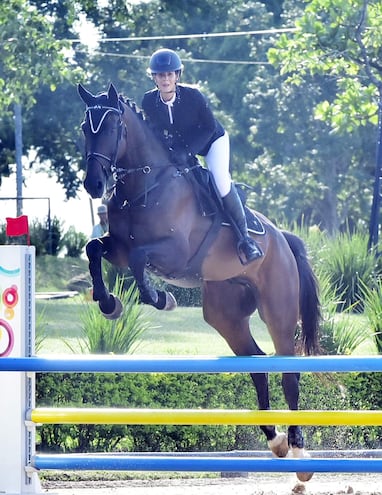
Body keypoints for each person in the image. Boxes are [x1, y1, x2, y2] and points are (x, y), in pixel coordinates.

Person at [142, 48, 263, 264]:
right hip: (182, 147)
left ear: (177, 76)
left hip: (212, 142)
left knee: (220, 180)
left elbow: (208, 127)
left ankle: (246, 240)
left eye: (170, 74)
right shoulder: (149, 101)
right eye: (161, 75)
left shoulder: (193, 96)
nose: (165, 79)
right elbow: (155, 131)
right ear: (154, 78)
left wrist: (187, 151)